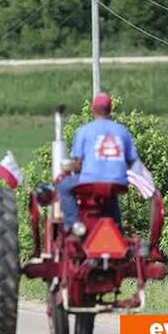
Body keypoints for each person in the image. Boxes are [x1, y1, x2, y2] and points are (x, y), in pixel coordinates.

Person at [57, 92, 140, 234]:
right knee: (110, 195)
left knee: (63, 186)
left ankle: (73, 224)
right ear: (110, 109)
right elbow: (132, 160)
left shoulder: (83, 131)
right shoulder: (122, 131)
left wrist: (70, 166)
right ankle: (117, 227)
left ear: (93, 109)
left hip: (90, 181)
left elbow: (78, 165)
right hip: (117, 182)